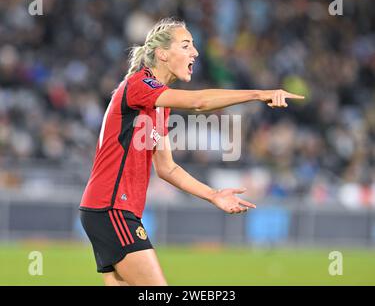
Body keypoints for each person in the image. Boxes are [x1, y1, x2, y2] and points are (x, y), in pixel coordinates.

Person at [79, 17, 304, 286]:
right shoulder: (139, 85)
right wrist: (258, 94)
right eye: (186, 45)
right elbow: (198, 102)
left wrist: (213, 195)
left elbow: (167, 168)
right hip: (112, 207)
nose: (195, 52)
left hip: (110, 209)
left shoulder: (160, 105)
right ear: (162, 54)